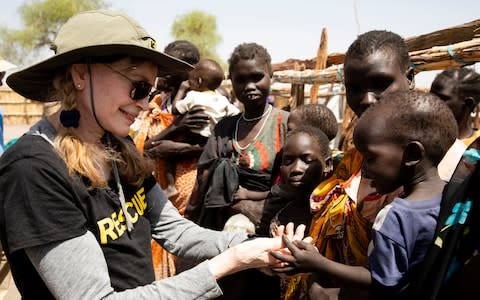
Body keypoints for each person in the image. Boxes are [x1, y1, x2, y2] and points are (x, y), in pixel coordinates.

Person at [0, 10, 307, 299]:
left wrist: (255, 245)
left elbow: (175, 230)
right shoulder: (33, 171)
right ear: (80, 75)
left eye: (150, 91)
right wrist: (231, 261)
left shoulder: (118, 146)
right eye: (138, 88)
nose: (146, 103)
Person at [272, 90, 458, 299]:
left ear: (412, 155)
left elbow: (380, 281)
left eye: (370, 158)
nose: (365, 170)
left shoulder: (395, 216)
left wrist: (318, 264)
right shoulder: (453, 198)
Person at [284, 30, 416, 299]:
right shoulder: (353, 159)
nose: (367, 99)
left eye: (380, 83)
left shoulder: (436, 165)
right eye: (354, 88)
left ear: (411, 79)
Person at [186, 42, 289, 300]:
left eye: (257, 77)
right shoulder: (225, 127)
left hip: (272, 226)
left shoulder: (285, 123)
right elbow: (204, 178)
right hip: (225, 228)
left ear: (271, 76)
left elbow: (294, 183)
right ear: (231, 81)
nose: (250, 86)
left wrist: (255, 204)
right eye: (241, 79)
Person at [162, 58, 240, 197]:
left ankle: (171, 186)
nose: (188, 81)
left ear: (198, 82)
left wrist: (182, 88)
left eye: (190, 79)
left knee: (168, 155)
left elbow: (174, 110)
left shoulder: (193, 95)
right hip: (209, 140)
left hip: (191, 135)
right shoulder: (222, 99)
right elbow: (236, 113)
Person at [258, 125, 332, 237]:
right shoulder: (280, 213)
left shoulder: (336, 214)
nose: (296, 169)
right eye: (288, 161)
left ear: (327, 165)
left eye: (307, 160)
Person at [430, 68, 480, 146]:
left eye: (442, 99)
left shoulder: (476, 148)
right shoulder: (421, 139)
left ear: (468, 104)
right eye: (431, 97)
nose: (430, 103)